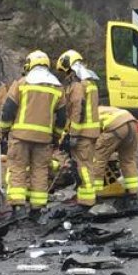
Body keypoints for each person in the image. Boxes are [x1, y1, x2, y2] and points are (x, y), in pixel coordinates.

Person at [0, 50, 65, 217]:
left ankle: (18, 208)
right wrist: (56, 137)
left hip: (20, 137)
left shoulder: (21, 84)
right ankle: (37, 209)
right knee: (40, 171)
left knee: (17, 168)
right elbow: (62, 117)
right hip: (44, 139)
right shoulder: (58, 88)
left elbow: (8, 109)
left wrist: (4, 130)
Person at [57, 49, 101, 207]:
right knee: (88, 165)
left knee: (83, 167)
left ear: (70, 68)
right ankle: (88, 197)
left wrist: (73, 134)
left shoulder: (78, 85)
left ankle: (87, 201)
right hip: (92, 132)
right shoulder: (90, 83)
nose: (66, 76)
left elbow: (77, 110)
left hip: (82, 133)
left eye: (65, 72)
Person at [92, 105, 138, 206]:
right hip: (131, 122)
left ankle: (95, 195)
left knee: (98, 160)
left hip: (115, 125)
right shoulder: (101, 109)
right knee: (128, 160)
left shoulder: (84, 117)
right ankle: (133, 194)